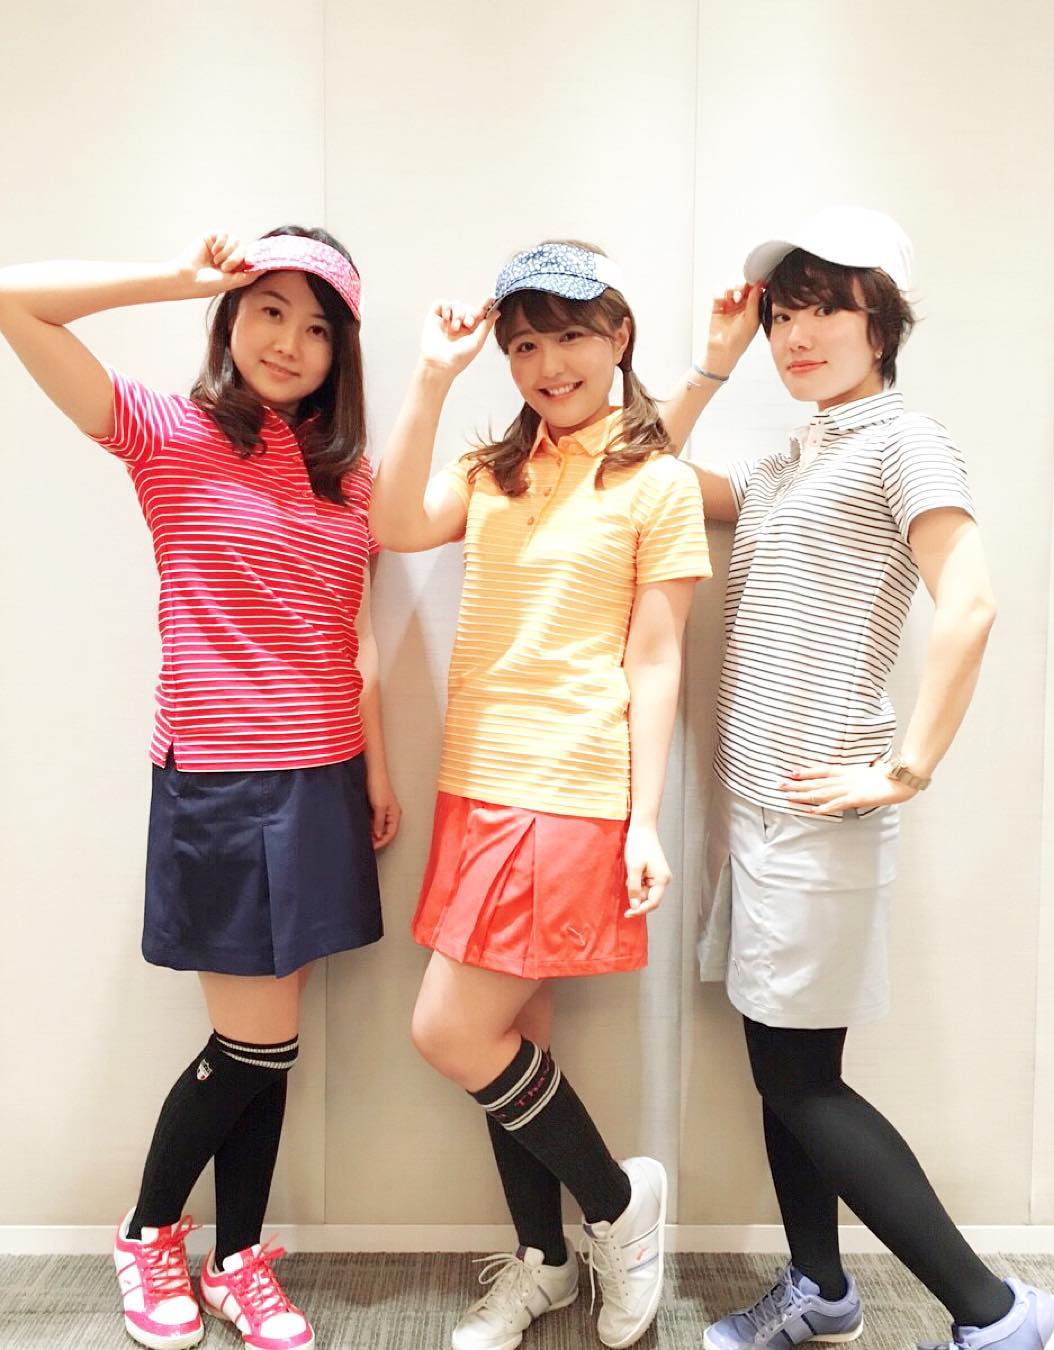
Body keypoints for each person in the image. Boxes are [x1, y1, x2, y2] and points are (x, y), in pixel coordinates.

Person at [667, 205, 1054, 1350]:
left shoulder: (906, 442)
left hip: (817, 816)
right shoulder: (789, 458)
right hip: (759, 811)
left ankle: (1000, 1313)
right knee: (780, 1071)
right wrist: (714, 359)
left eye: (825, 311)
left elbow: (970, 604)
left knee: (803, 1083)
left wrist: (906, 768)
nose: (797, 336)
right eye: (783, 316)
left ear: (881, 323)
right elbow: (638, 468)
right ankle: (822, 1290)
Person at [0, 226, 399, 1350]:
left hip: (323, 778)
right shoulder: (170, 434)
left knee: (273, 1042)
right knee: (254, 1043)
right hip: (222, 779)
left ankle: (236, 1260)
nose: (290, 342)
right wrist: (180, 278)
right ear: (230, 317)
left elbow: (357, 635)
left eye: (317, 327)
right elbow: (15, 300)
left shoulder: (346, 476)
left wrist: (375, 767)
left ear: (341, 354)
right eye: (268, 309)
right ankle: (145, 1235)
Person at [370, 240, 712, 1350]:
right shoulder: (494, 469)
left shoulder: (657, 483)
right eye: (524, 345)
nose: (548, 364)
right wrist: (433, 376)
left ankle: (618, 1205)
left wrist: (645, 820)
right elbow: (392, 525)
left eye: (570, 335)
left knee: (447, 1031)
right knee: (512, 1033)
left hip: (566, 789)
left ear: (619, 336)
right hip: (475, 779)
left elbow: (656, 657)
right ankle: (545, 1262)